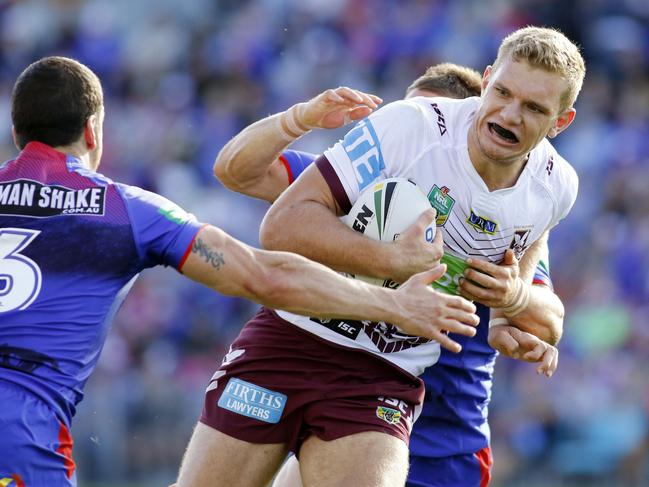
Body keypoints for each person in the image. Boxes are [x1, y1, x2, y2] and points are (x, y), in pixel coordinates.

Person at [0, 56, 481, 486]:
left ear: (17, 131)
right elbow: (256, 258)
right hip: (21, 423)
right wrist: (399, 303)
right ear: (93, 131)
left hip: (413, 412)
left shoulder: (503, 215)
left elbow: (536, 313)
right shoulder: (126, 209)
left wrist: (518, 299)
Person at [177, 25, 583, 487]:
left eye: (533, 107)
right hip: (292, 341)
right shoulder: (406, 130)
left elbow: (530, 300)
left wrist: (511, 307)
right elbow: (269, 209)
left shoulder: (554, 187)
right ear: (487, 81)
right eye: (504, 93)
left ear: (560, 122)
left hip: (390, 379)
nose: (511, 114)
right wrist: (299, 120)